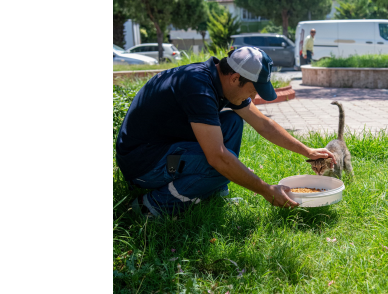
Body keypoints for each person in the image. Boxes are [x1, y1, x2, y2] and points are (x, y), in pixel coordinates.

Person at [116, 46, 336, 218]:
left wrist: (307, 151)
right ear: (235, 78)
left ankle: (210, 191)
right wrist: (267, 190)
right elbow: (218, 157)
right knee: (221, 164)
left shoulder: (219, 80)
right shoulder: (198, 88)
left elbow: (263, 124)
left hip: (168, 150)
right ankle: (151, 207)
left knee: (232, 121)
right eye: (253, 89)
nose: (254, 97)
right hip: (145, 164)